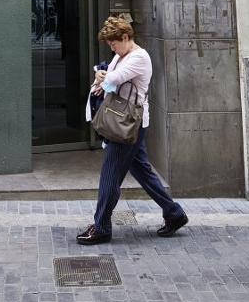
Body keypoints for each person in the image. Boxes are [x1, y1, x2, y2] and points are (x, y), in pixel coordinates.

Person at [76, 15, 188, 245]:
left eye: (113, 42)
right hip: (126, 124)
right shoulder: (122, 54)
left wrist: (101, 75)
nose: (112, 47)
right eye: (109, 44)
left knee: (110, 176)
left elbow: (112, 79)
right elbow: (104, 79)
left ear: (126, 37)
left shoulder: (139, 57)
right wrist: (101, 75)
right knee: (143, 173)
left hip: (127, 126)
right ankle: (174, 214)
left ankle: (102, 227)